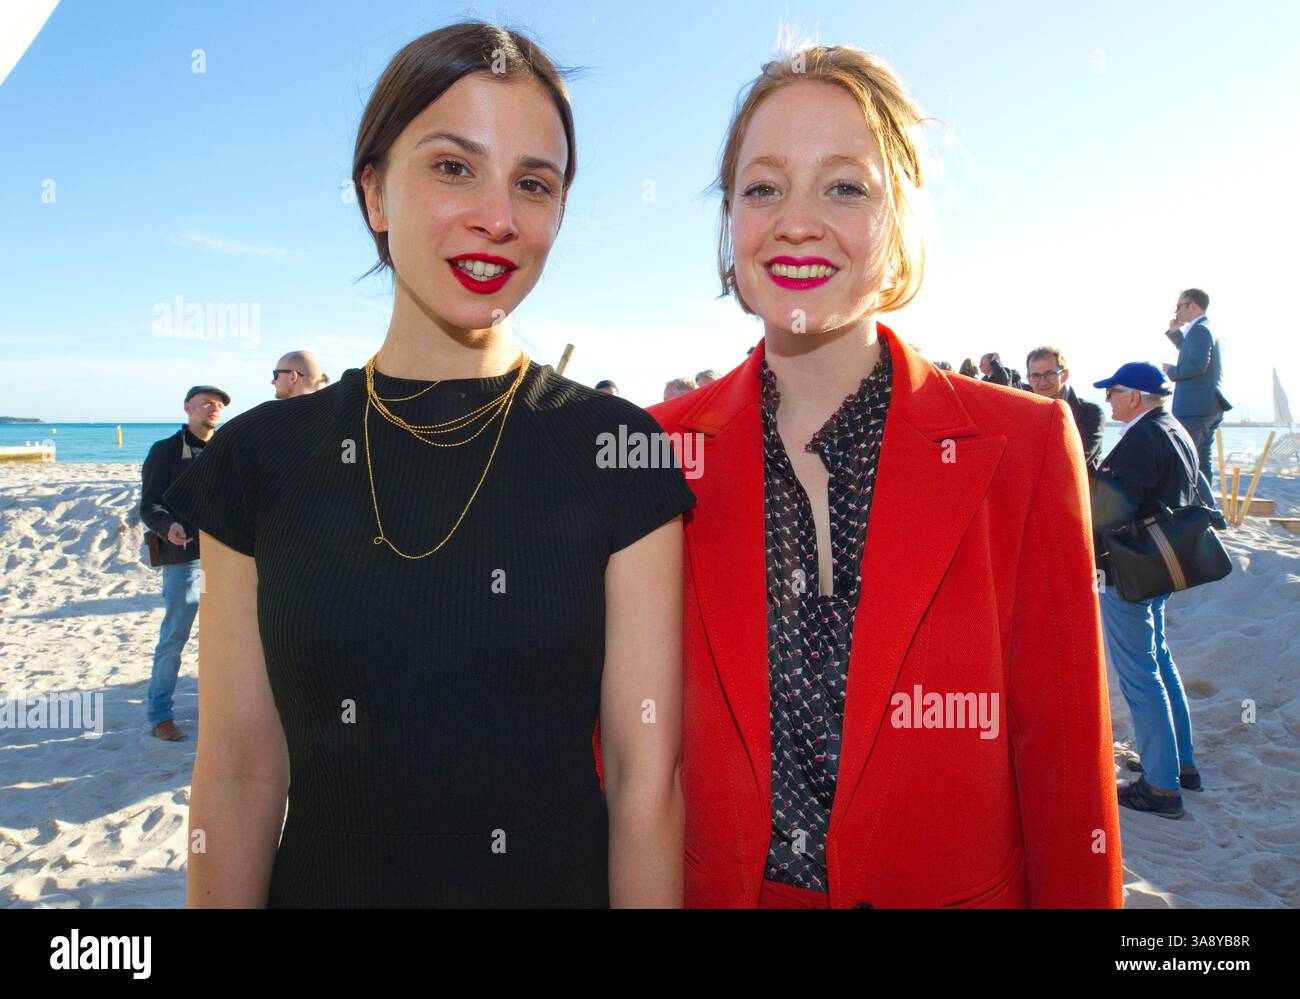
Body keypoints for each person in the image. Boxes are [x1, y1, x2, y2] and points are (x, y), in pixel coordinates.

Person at [164, 22, 693, 908]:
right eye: (454, 167)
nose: (498, 216)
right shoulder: (258, 459)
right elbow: (237, 778)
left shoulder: (618, 450)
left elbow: (647, 782)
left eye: (534, 182)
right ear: (373, 191)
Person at [635, 44, 1121, 907]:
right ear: (730, 220)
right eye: (762, 187)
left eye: (844, 187)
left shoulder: (1027, 442)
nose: (796, 221)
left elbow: (1064, 769)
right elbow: (623, 761)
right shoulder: (656, 450)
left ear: (900, 216)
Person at [1090, 362, 1202, 819]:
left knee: (1140, 674)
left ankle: (1160, 786)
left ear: (1135, 396)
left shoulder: (1141, 437)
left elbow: (1112, 509)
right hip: (1162, 565)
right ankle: (1182, 765)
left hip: (1132, 570)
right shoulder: (1174, 427)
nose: (1109, 400)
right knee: (1159, 661)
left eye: (1113, 392)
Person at [139, 384, 230, 741]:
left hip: (227, 559)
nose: (214, 408)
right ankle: (160, 715)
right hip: (186, 560)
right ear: (187, 408)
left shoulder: (227, 449)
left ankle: (219, 711)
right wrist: (168, 526)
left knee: (224, 640)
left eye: (219, 404)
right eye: (206, 402)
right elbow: (150, 505)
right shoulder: (165, 451)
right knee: (174, 639)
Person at [1162, 288, 1231, 490]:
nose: (1177, 311)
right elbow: (1193, 353)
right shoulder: (1206, 328)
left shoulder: (1200, 329)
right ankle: (1204, 508)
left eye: (1179, 306)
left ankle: (1193, 507)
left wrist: (1172, 371)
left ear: (1193, 305)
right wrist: (1175, 334)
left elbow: (1197, 365)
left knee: (1186, 458)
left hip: (1195, 407)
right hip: (1209, 405)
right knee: (1201, 461)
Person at [1025, 346, 1104, 475]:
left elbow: (1079, 459)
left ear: (1065, 375)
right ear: (1028, 379)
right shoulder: (1024, 414)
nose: (1043, 382)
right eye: (1036, 376)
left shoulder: (1091, 413)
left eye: (1050, 374)